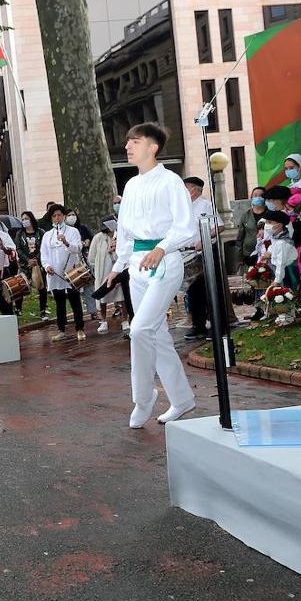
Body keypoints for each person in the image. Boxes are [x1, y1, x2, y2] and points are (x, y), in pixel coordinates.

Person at [103, 123, 197, 428]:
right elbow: (126, 231)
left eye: (135, 141)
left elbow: (185, 227)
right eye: (128, 142)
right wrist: (118, 267)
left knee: (141, 329)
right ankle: (182, 400)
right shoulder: (130, 185)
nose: (128, 146)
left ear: (152, 147)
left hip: (165, 263)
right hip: (137, 267)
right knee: (157, 335)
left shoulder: (171, 182)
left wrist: (162, 247)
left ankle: (143, 399)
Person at [40, 205, 86, 342]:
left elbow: (78, 248)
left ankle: (80, 328)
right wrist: (47, 266)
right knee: (59, 302)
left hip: (71, 272)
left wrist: (66, 242)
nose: (57, 218)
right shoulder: (47, 235)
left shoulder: (73, 231)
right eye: (54, 216)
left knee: (75, 300)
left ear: (64, 216)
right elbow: (44, 254)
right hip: (55, 274)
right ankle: (61, 329)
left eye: (59, 215)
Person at [183, 176, 219, 341]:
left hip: (206, 252)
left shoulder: (206, 205)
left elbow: (219, 226)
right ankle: (198, 326)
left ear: (195, 188)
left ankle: (217, 325)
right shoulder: (184, 207)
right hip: (189, 254)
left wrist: (203, 240)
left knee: (209, 290)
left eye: (187, 187)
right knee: (193, 291)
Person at [88, 217, 127, 335]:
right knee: (102, 296)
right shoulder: (98, 238)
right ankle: (103, 320)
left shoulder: (121, 236)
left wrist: (115, 250)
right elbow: (91, 258)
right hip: (102, 271)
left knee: (122, 296)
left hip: (118, 270)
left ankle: (125, 320)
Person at [14, 211, 48, 319]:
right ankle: (18, 309)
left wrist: (36, 259)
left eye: (26, 218)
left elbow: (44, 247)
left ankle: (43, 310)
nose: (24, 221)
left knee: (41, 287)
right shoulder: (20, 233)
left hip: (38, 264)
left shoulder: (40, 232)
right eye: (23, 219)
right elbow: (18, 248)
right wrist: (27, 259)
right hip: (25, 264)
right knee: (20, 286)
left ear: (31, 219)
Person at [238, 187, 267, 268]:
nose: (258, 197)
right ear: (251, 198)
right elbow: (240, 237)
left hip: (267, 252)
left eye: (261, 196)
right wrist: (240, 257)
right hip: (249, 253)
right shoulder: (245, 215)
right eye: (255, 195)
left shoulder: (270, 214)